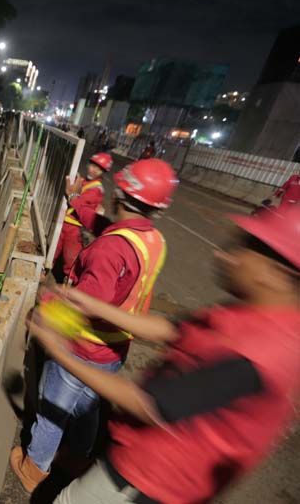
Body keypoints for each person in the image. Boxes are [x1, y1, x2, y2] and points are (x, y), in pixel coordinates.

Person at [30, 205, 300, 504]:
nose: (223, 256)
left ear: (277, 273)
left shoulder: (262, 353)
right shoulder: (253, 312)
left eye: (243, 249)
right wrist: (95, 306)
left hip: (151, 480)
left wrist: (59, 351)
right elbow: (172, 328)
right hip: (145, 456)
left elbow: (148, 403)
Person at [10, 159, 179, 493]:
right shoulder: (153, 239)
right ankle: (77, 456)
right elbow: (105, 225)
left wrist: (45, 314)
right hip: (115, 349)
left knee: (52, 409)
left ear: (119, 193)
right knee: (88, 407)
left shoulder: (109, 249)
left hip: (84, 345)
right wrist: (76, 202)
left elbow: (85, 303)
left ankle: (34, 469)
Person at [53, 153, 113, 279]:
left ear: (103, 172)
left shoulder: (96, 189)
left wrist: (72, 195)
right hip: (65, 222)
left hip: (76, 227)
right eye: (93, 165)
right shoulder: (82, 181)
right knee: (54, 250)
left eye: (99, 168)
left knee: (71, 259)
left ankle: (69, 282)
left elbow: (79, 202)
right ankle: (45, 271)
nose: (94, 169)